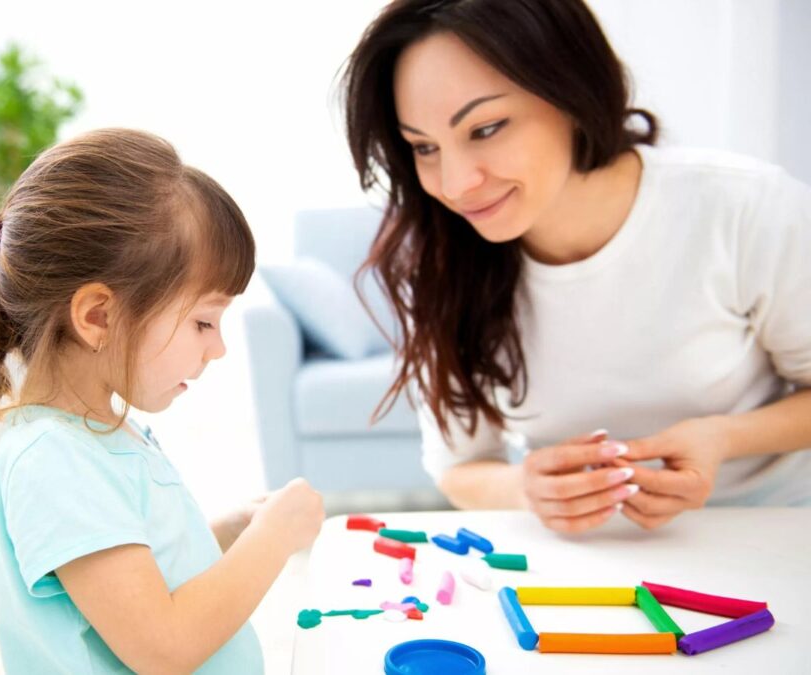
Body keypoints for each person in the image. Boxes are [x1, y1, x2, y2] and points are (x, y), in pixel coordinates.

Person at [341, 0, 811, 533]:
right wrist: (527, 488)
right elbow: (459, 467)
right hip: (588, 561)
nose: (454, 184)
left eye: (486, 128)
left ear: (572, 93)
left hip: (775, 535)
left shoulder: (745, 209)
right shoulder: (444, 264)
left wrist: (723, 437)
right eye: (424, 147)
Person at [0, 128, 324, 674]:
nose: (218, 348)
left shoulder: (97, 432)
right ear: (99, 316)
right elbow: (163, 646)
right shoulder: (51, 461)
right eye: (202, 321)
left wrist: (227, 531)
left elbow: (130, 581)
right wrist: (273, 538)